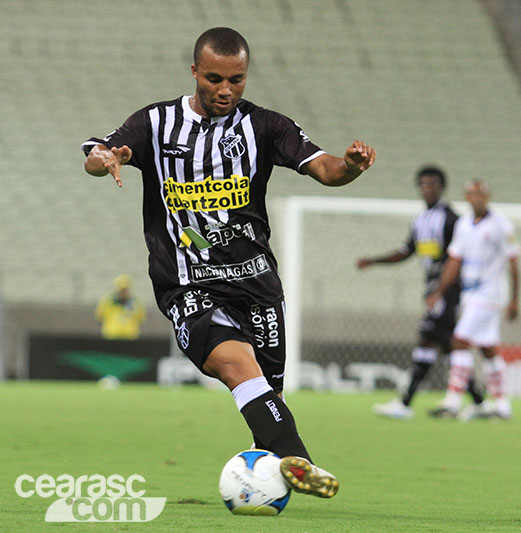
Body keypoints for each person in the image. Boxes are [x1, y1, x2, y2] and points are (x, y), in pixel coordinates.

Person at [82, 27, 375, 499]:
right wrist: (105, 159)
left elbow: (326, 168)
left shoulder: (266, 126)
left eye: (236, 79)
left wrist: (351, 167)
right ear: (194, 71)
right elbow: (98, 154)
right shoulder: (156, 123)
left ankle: (266, 476)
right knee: (236, 364)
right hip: (186, 281)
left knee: (268, 398)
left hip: (256, 282)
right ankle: (301, 462)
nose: (225, 90)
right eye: (213, 78)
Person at [357, 166, 487, 419]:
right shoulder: (420, 220)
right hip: (432, 287)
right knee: (447, 344)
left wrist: (443, 289)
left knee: (428, 337)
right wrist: (374, 261)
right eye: (423, 184)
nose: (427, 188)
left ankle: (405, 402)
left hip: (448, 289)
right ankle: (479, 401)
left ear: (441, 187)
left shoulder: (451, 219)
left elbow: (458, 257)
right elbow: (407, 251)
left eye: (432, 184)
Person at [426, 180, 521, 420]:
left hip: (490, 293)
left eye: (480, 193)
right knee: (488, 348)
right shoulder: (463, 224)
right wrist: (439, 291)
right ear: (466, 197)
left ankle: (452, 401)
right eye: (471, 194)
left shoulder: (500, 224)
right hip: (470, 294)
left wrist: (515, 300)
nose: (476, 197)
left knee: (459, 340)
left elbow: (513, 261)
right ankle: (502, 406)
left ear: (488, 196)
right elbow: (454, 260)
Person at [94, 274, 146, 340]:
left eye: (125, 290)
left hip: (130, 338)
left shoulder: (136, 303)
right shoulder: (107, 301)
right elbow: (99, 317)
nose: (123, 293)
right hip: (111, 337)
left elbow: (141, 319)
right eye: (121, 290)